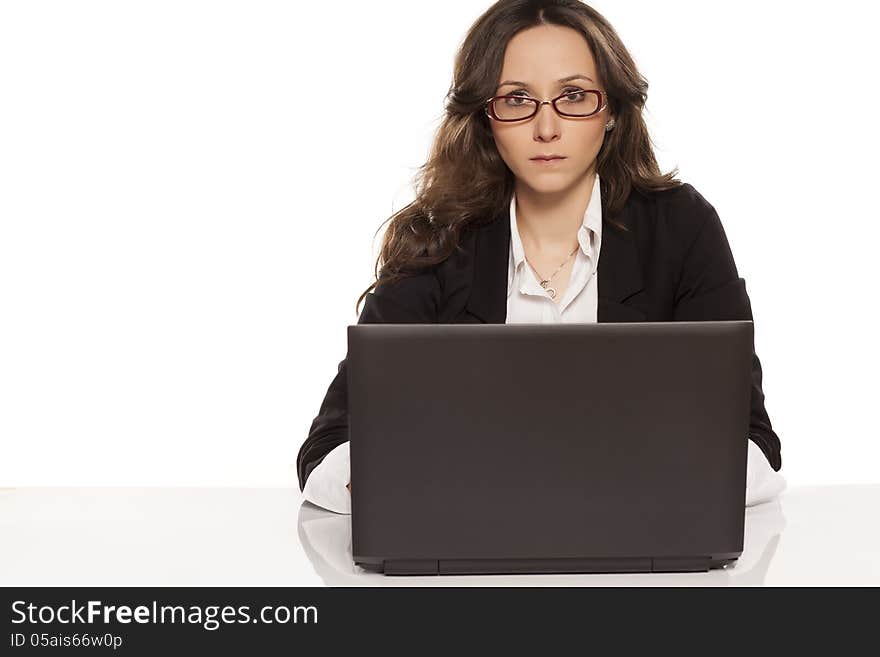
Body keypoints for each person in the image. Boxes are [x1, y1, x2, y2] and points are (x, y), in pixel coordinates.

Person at [296, 0, 786, 514]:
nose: (546, 129)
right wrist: (416, 491)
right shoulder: (437, 238)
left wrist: (595, 485)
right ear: (486, 116)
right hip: (468, 557)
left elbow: (754, 448)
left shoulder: (682, 228)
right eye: (516, 99)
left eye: (574, 96)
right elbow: (328, 453)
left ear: (613, 109)